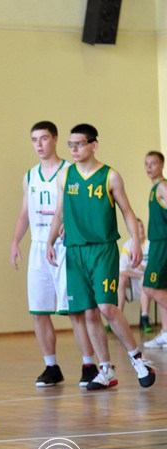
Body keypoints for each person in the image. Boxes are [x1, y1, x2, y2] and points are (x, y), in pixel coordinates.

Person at [46, 124, 156, 390]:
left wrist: (136, 241)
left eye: (79, 144)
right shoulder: (65, 176)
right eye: (70, 144)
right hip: (74, 250)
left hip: (102, 249)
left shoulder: (110, 176)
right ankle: (106, 369)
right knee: (89, 313)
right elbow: (59, 212)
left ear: (93, 145)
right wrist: (49, 241)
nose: (74, 149)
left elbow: (127, 211)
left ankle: (137, 359)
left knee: (106, 307)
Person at [10, 121, 97, 388]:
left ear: (56, 139)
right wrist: (15, 242)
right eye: (34, 139)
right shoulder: (29, 176)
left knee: (74, 311)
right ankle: (51, 366)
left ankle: (89, 364)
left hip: (64, 247)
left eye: (44, 138)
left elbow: (80, 208)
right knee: (39, 311)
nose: (39, 144)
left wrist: (69, 227)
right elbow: (24, 213)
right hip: (38, 246)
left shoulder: (70, 171)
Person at [142, 152, 167, 348]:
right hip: (157, 242)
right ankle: (166, 333)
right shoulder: (153, 189)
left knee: (149, 288)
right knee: (161, 288)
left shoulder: (162, 187)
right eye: (146, 164)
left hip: (163, 242)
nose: (149, 167)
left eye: (153, 163)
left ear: (162, 165)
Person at [117, 218, 151, 332]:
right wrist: (139, 274)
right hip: (133, 280)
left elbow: (155, 268)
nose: (141, 229)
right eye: (137, 227)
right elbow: (121, 270)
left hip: (147, 280)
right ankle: (117, 319)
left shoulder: (150, 244)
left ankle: (144, 319)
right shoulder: (128, 245)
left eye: (142, 226)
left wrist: (141, 269)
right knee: (121, 279)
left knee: (145, 279)